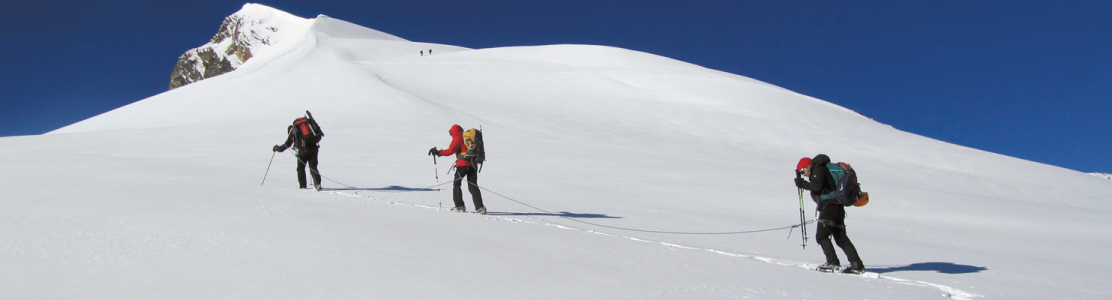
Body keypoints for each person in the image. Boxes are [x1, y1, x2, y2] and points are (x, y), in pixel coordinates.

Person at [795, 154, 865, 274]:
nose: (804, 174)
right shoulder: (823, 168)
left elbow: (817, 187)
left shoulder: (818, 169)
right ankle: (857, 265)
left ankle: (833, 263)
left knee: (821, 236)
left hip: (829, 207)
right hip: (838, 207)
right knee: (841, 239)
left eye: (803, 171)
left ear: (808, 166)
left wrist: (803, 184)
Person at [428, 124, 486, 214]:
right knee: (473, 185)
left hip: (462, 165)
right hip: (473, 164)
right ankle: (480, 207)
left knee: (457, 184)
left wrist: (438, 152)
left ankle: (459, 206)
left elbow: (450, 151)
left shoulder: (458, 138)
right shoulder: (468, 137)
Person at [273, 111, 324, 191]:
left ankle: (302, 187)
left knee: (300, 168)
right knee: (313, 167)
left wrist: (278, 148)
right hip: (314, 148)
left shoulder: (294, 130)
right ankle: (317, 184)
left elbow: (287, 143)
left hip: (303, 151)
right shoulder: (307, 126)